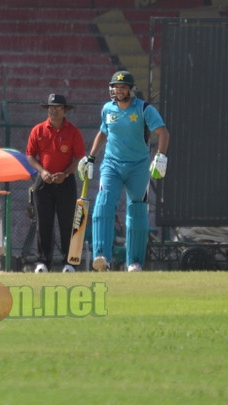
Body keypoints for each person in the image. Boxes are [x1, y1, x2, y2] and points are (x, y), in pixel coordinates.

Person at [79, 71, 169, 272]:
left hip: (138, 165)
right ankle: (102, 256)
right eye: (115, 87)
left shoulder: (144, 109)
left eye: (122, 88)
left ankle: (135, 261)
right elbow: (103, 132)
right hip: (112, 164)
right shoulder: (107, 109)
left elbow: (163, 133)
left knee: (137, 210)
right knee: (103, 203)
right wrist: (91, 157)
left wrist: (161, 156)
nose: (118, 91)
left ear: (130, 89)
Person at [25, 93, 85, 273]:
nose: (53, 110)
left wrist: (65, 174)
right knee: (43, 223)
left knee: (68, 223)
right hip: (44, 182)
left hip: (65, 182)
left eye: (57, 107)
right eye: (51, 107)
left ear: (65, 110)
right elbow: (30, 155)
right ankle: (42, 262)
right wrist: (42, 171)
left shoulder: (73, 131)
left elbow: (79, 158)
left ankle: (70, 263)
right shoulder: (38, 130)